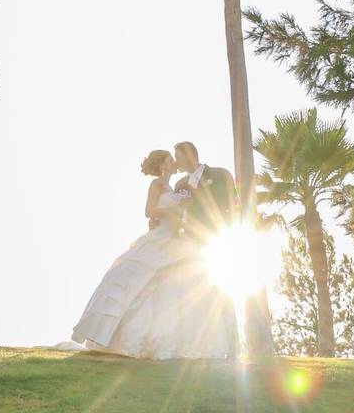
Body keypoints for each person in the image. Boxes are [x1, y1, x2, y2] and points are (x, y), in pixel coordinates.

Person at [70, 149, 233, 359]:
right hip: (159, 237)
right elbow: (150, 211)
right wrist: (176, 209)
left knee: (174, 287)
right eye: (170, 159)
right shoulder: (157, 185)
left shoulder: (176, 186)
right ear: (163, 164)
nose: (175, 161)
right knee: (139, 281)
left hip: (176, 239)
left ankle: (170, 337)